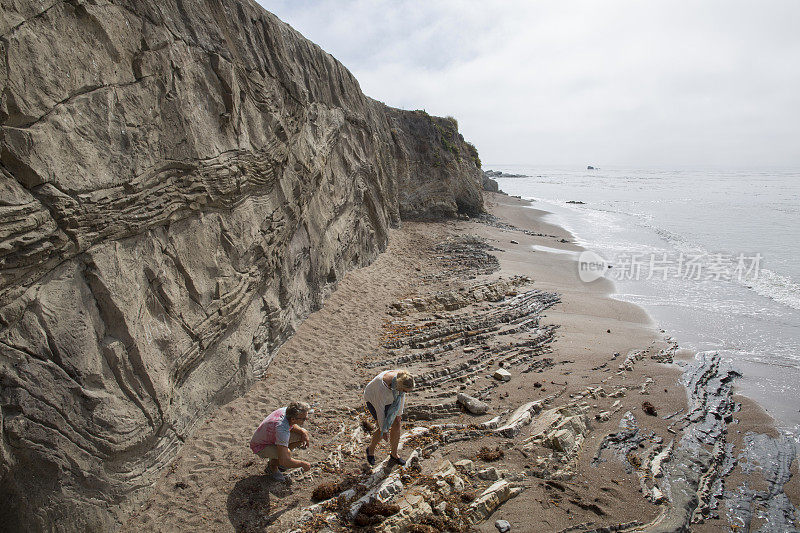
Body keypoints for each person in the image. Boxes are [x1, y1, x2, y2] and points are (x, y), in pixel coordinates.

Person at [249, 401, 312, 481]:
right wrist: (302, 464)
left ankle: (278, 457)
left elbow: (293, 425)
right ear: (293, 419)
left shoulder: (287, 410)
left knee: (301, 435)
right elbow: (285, 460)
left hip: (272, 437)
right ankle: (273, 467)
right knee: (287, 456)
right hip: (261, 446)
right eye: (304, 418)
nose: (306, 419)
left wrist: (303, 432)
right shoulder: (282, 429)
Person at [363, 369, 414, 467]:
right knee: (382, 425)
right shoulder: (381, 386)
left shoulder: (402, 380)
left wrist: (398, 415)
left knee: (397, 422)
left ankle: (394, 454)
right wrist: (384, 430)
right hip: (373, 399)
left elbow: (401, 397)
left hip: (391, 398)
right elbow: (380, 410)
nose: (406, 393)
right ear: (399, 386)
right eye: (404, 391)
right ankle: (371, 449)